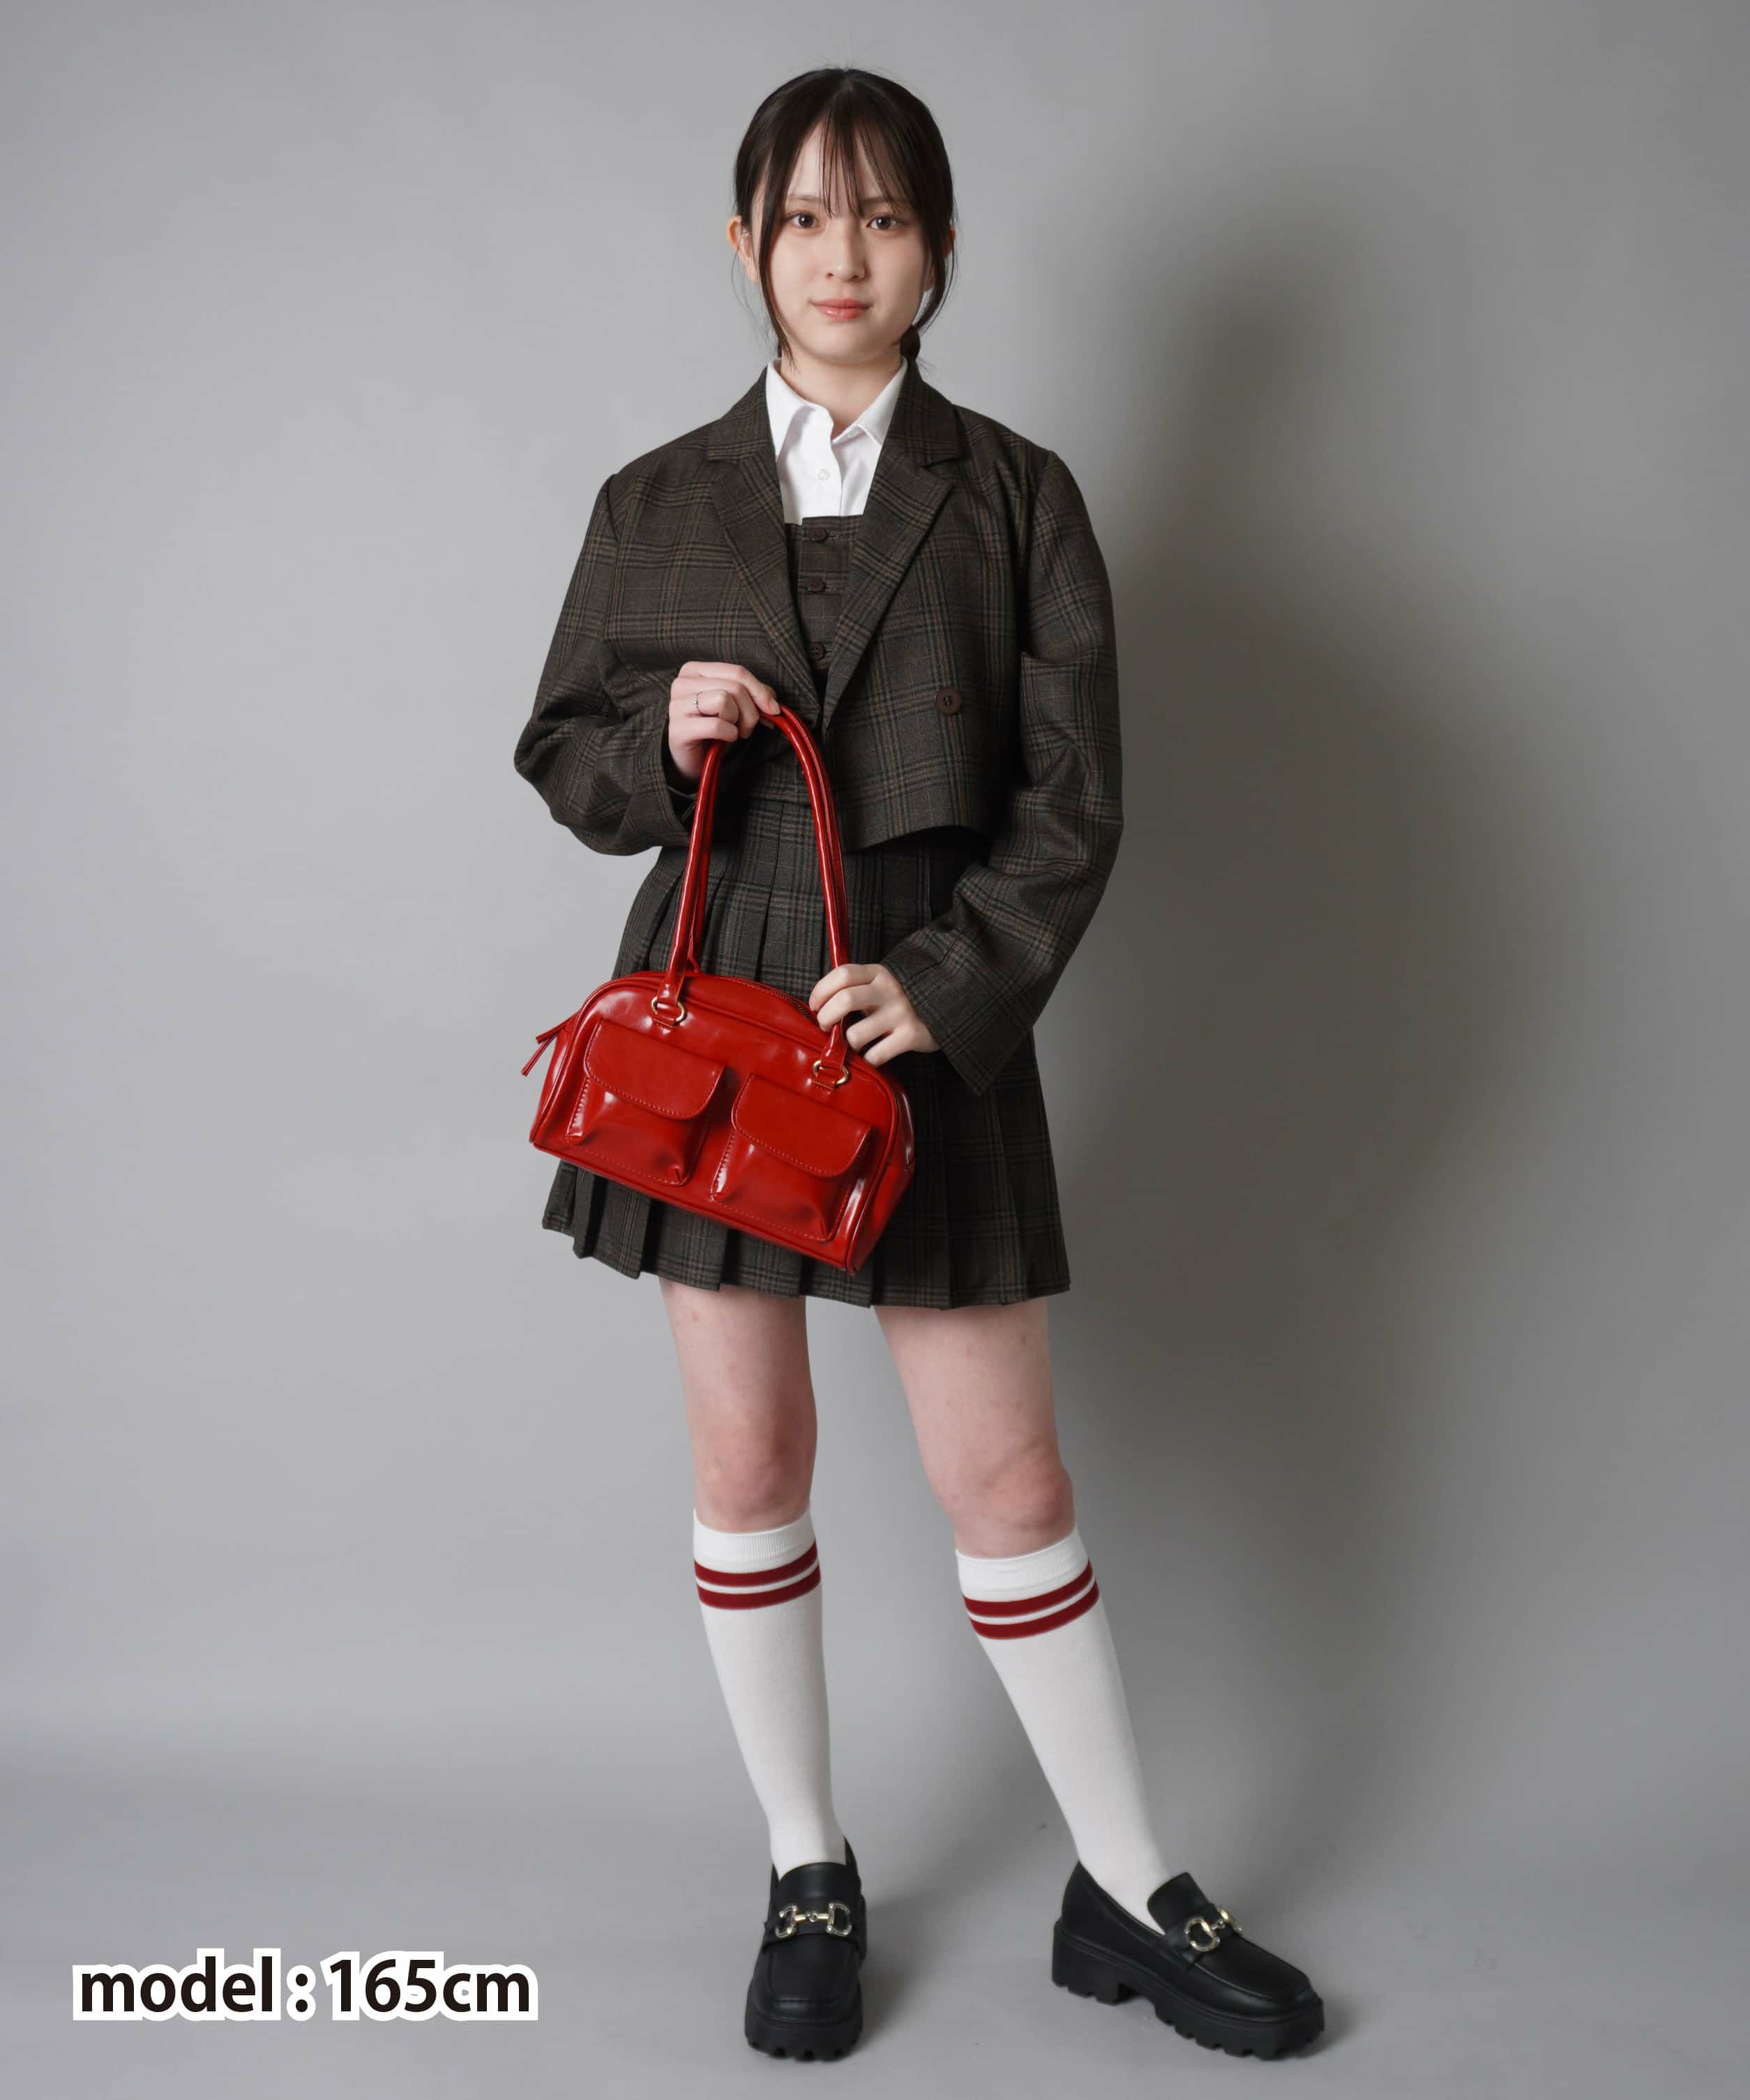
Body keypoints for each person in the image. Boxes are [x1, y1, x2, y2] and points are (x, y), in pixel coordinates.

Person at [512, 65, 1324, 2064]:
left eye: (882, 217)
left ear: (940, 250)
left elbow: (1076, 801)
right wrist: (664, 739)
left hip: (921, 1026)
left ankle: (1126, 1882)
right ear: (746, 244)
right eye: (805, 217)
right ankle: (807, 1865)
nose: (842, 254)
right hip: (711, 1018)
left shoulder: (1020, 494)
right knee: (748, 1460)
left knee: (1008, 1477)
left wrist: (950, 987)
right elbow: (567, 760)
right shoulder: (652, 499)